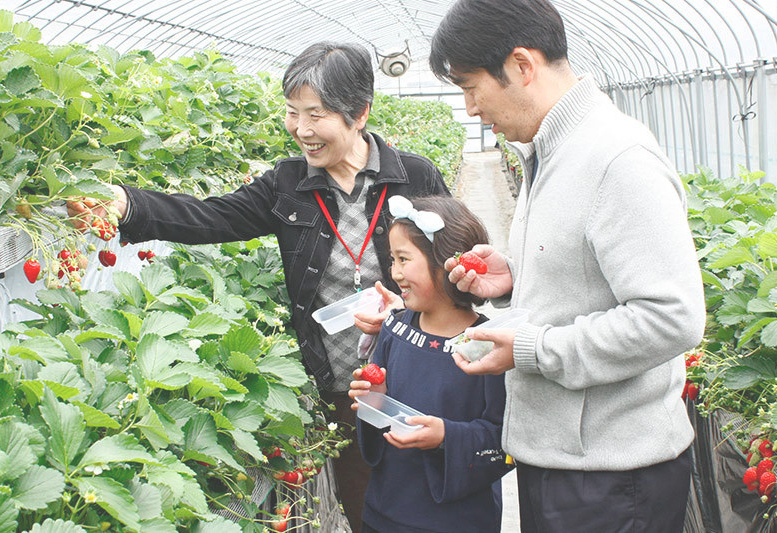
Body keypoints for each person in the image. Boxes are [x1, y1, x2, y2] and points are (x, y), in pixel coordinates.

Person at [67, 42, 448, 533]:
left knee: (432, 499)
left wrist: (410, 306)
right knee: (368, 508)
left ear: (360, 114)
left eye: (317, 114)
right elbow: (211, 216)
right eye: (292, 113)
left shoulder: (413, 176)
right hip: (344, 390)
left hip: (418, 375)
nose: (302, 130)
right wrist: (127, 203)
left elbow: (453, 266)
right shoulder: (287, 184)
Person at [429, 1, 707, 531]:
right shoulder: (554, 150)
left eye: (470, 87)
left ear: (522, 65)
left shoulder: (616, 159)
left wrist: (534, 348)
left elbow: (672, 316)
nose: (470, 109)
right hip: (565, 461)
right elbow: (588, 275)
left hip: (612, 478)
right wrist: (515, 277)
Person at [348, 195, 510, 533]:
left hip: (456, 522)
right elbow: (380, 419)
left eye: (404, 259)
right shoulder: (393, 328)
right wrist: (373, 396)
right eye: (392, 259)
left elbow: (504, 439)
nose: (394, 273)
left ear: (443, 262)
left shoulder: (488, 344)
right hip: (385, 511)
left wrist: (446, 438)